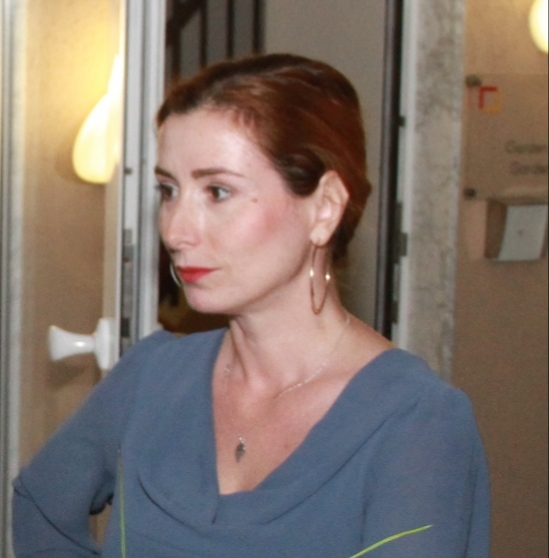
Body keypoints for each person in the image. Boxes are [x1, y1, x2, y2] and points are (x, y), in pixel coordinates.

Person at [12, 54, 490, 557]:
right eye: (169, 190)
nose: (175, 230)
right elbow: (40, 505)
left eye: (218, 191)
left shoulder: (416, 422)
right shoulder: (151, 378)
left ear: (324, 207)